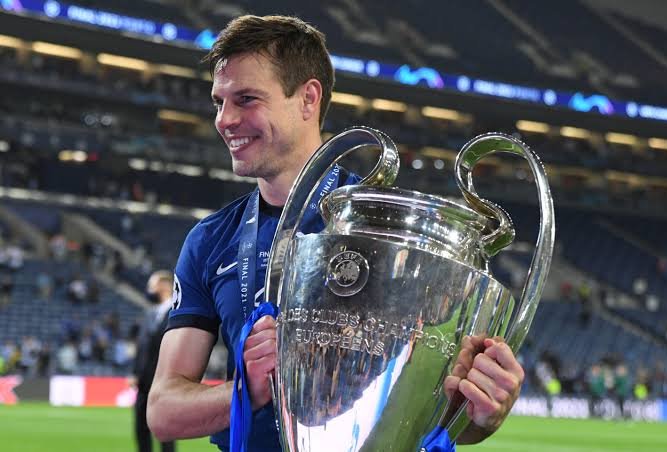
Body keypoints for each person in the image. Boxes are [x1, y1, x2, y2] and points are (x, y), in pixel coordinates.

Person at [148, 14, 525, 451]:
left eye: (246, 99)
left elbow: (439, 403)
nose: (224, 119)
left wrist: (482, 409)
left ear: (308, 99)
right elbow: (163, 410)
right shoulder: (211, 239)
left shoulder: (394, 231)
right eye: (219, 102)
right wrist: (247, 389)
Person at [133, 270, 176, 452]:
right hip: (143, 382)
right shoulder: (150, 313)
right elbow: (141, 347)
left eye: (153, 285)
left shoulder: (176, 312)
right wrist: (135, 373)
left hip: (163, 381)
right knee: (140, 428)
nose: (149, 289)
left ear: (165, 286)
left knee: (165, 430)